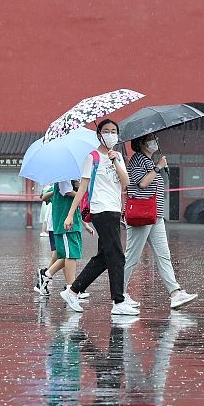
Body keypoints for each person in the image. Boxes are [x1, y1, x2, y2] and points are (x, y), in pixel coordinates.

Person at [59, 119, 138, 316]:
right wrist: (70, 214)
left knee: (104, 257)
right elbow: (82, 188)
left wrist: (115, 161)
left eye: (114, 131)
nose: (110, 134)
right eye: (106, 131)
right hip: (100, 210)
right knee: (117, 255)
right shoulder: (92, 157)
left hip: (114, 209)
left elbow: (126, 182)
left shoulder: (117, 156)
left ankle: (73, 291)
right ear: (99, 134)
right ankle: (118, 302)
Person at [123, 134, 198, 310]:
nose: (155, 142)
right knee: (132, 257)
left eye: (155, 138)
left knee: (164, 255)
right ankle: (119, 294)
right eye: (151, 139)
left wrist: (157, 166)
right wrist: (158, 167)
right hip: (142, 215)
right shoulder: (137, 160)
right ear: (142, 143)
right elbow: (142, 183)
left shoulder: (148, 161)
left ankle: (175, 293)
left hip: (155, 216)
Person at [36, 180, 94, 297]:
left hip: (73, 223)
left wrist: (86, 225)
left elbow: (74, 203)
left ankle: (46, 275)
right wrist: (82, 194)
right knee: (69, 255)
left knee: (69, 255)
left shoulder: (72, 179)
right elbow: (65, 191)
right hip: (65, 223)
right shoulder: (63, 178)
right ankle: (71, 288)